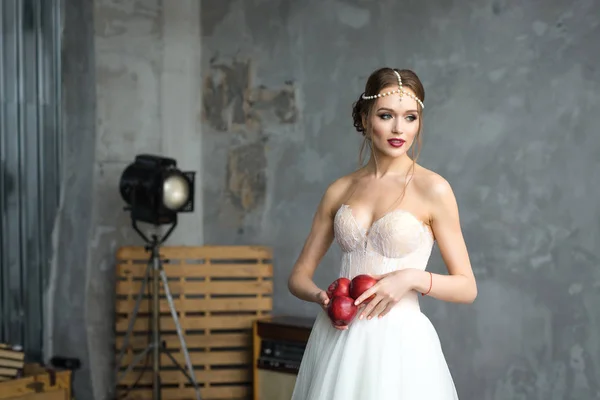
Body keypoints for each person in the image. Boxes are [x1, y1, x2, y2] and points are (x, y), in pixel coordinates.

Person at [287, 67, 477, 399]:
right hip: (338, 337)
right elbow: (299, 276)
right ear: (364, 116)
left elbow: (467, 287)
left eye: (410, 117)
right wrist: (322, 297)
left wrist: (412, 278)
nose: (399, 129)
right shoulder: (340, 189)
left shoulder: (434, 189)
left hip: (400, 343)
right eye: (386, 115)